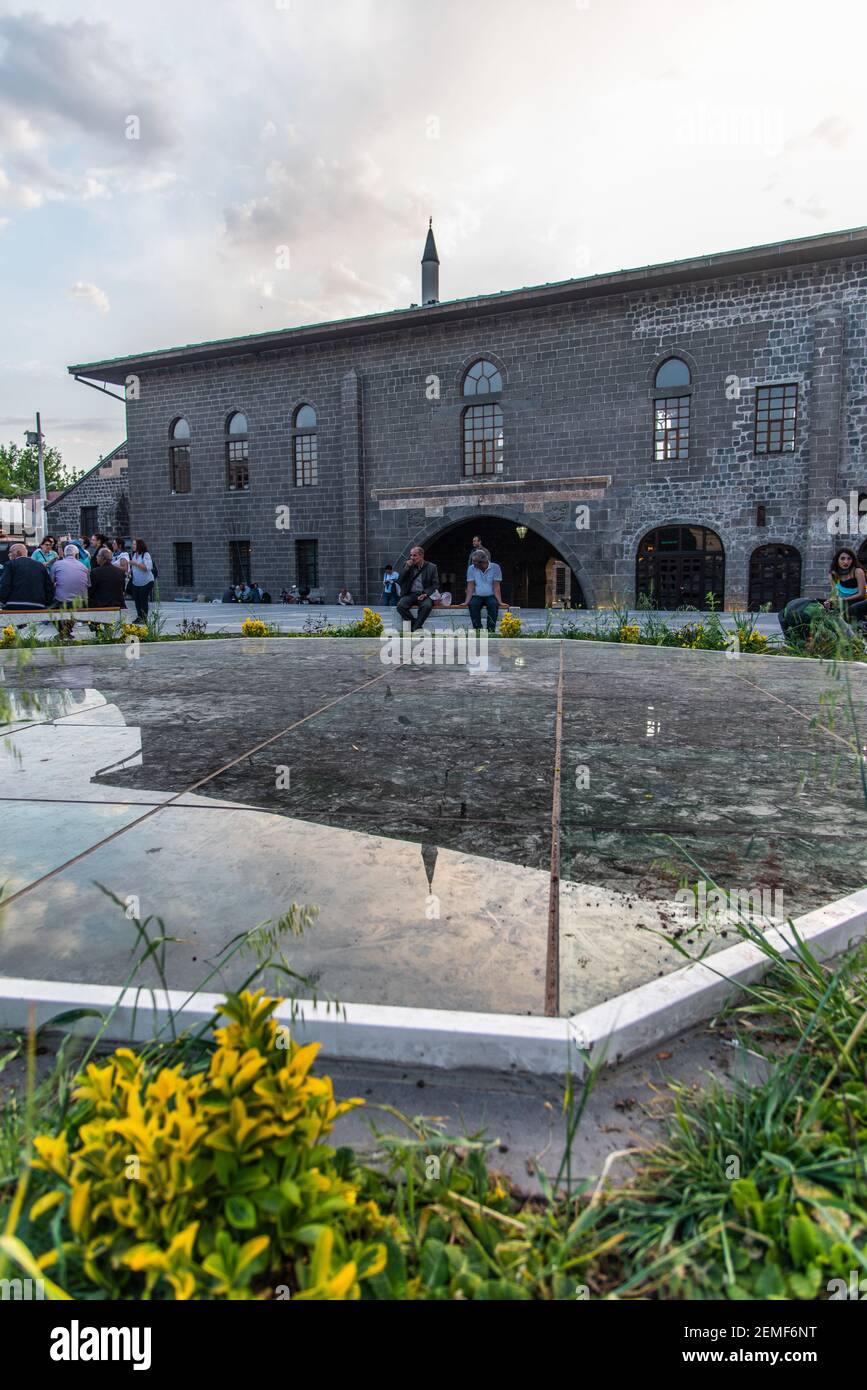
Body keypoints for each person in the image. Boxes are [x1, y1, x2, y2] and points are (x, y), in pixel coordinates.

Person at [396, 545, 439, 632]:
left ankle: (414, 628)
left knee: (427, 606)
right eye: (411, 555)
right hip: (410, 594)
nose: (412, 558)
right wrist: (406, 568)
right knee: (400, 606)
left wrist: (426, 594)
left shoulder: (432, 567)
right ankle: (416, 626)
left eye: (415, 555)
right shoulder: (407, 565)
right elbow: (400, 580)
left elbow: (435, 585)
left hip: (424, 594)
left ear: (421, 555)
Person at [0, 541, 54, 611]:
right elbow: (49, 587)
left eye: (10, 552)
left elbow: (5, 585)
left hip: (14, 604)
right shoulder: (40, 566)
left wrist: (2, 601)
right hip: (38, 605)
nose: (8, 554)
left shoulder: (11, 564)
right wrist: (46, 603)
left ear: (18, 553)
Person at [462, 547, 504, 632]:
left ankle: (490, 630)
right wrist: (466, 602)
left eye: (475, 562)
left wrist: (499, 601)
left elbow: (496, 587)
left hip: (490, 595)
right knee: (473, 604)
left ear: (482, 562)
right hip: (477, 595)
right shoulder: (471, 568)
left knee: (493, 604)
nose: (473, 564)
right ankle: (478, 630)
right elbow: (470, 587)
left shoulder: (495, 567)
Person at [826, 547, 867, 626]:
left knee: (853, 608)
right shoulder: (833, 574)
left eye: (849, 559)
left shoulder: (858, 571)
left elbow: (862, 594)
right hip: (842, 603)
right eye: (842, 558)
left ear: (853, 560)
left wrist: (843, 599)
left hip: (859, 603)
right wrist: (829, 601)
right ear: (837, 560)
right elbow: (835, 594)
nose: (846, 561)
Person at [129, 538, 155, 620]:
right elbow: (134, 568)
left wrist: (136, 563)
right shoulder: (134, 555)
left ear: (139, 545)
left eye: (134, 544)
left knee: (143, 599)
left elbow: (147, 568)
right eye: (133, 544)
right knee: (137, 600)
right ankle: (139, 616)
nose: (133, 546)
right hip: (136, 582)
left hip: (146, 581)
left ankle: (144, 617)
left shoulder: (145, 555)